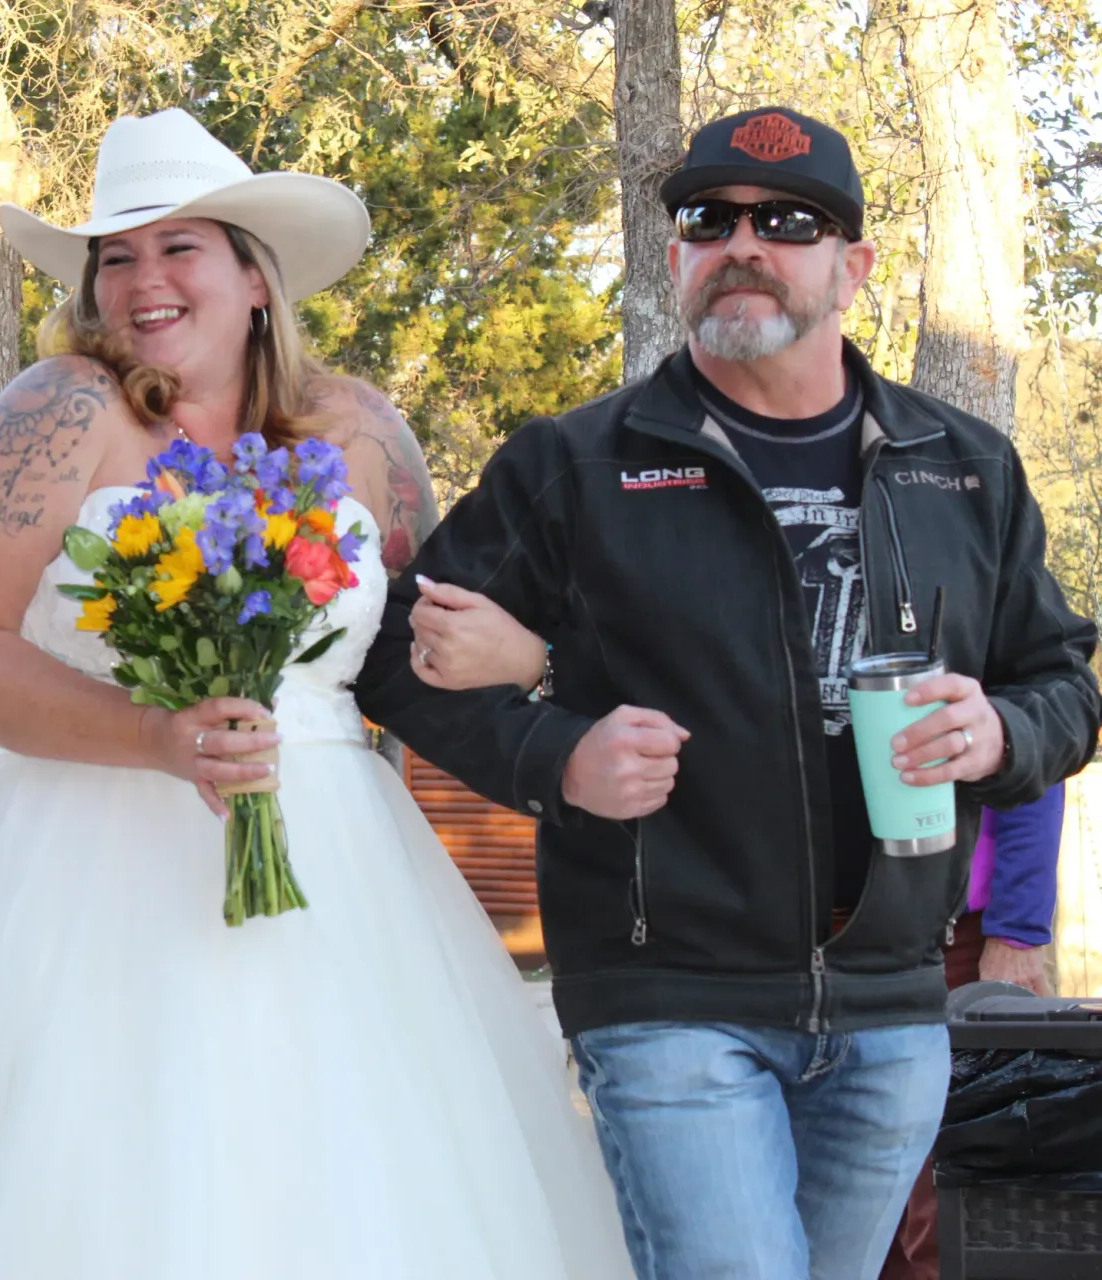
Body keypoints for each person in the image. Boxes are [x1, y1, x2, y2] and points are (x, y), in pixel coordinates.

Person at [0, 107, 632, 1280]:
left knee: (356, 1181)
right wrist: (154, 734)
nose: (143, 281)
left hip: (338, 862)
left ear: (258, 277)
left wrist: (534, 672)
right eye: (116, 256)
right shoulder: (59, 414)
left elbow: (410, 652)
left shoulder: (359, 432)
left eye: (178, 246)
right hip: (90, 864)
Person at [355, 105, 1101, 1280]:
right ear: (675, 259)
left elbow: (1062, 680)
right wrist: (558, 750)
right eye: (710, 220)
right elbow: (397, 653)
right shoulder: (574, 466)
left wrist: (1001, 727)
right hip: (668, 996)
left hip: (890, 1006)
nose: (743, 242)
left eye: (788, 222)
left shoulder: (961, 466)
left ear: (851, 267)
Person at [880, 782, 1066, 1279]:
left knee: (953, 1202)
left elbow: (1034, 767)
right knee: (849, 1199)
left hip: (956, 935)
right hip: (813, 947)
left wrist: (1017, 933)